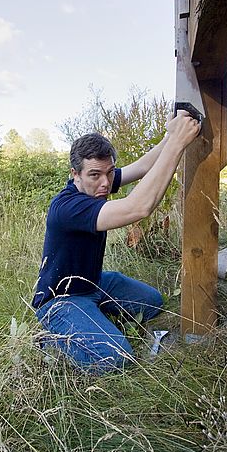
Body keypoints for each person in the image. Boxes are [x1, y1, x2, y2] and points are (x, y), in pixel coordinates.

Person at [32, 110, 201, 373]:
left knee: (152, 302)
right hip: (61, 299)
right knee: (116, 358)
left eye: (110, 173)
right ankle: (54, 338)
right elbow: (139, 207)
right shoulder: (68, 207)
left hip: (93, 282)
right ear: (75, 174)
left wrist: (170, 135)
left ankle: (93, 315)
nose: (105, 183)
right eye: (95, 175)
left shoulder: (100, 181)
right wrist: (179, 143)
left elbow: (144, 166)